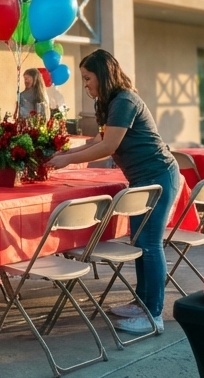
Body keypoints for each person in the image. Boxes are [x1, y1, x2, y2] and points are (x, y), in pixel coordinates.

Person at [45, 49, 179, 336]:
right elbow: (99, 140)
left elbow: (108, 147)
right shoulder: (110, 103)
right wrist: (65, 153)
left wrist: (67, 160)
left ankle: (153, 314)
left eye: (88, 78)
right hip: (142, 179)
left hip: (157, 176)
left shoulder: (125, 100)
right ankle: (142, 303)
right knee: (140, 243)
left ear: (103, 75)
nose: (85, 84)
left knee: (150, 244)